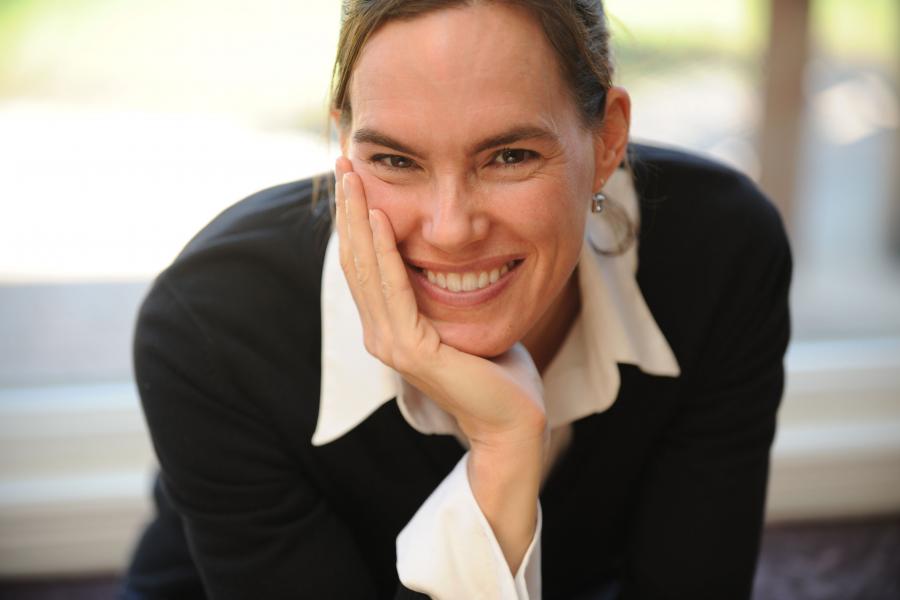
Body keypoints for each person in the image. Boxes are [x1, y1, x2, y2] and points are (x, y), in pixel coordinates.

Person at [121, 1, 792, 599]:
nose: (449, 229)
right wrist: (503, 449)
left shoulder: (721, 255)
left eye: (508, 156)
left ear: (607, 139)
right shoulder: (211, 325)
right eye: (395, 160)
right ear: (345, 148)